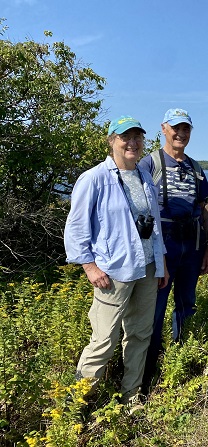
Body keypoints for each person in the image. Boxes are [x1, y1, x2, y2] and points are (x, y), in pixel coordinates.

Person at [64, 115, 168, 410]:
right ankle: (74, 406)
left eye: (137, 137)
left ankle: (131, 397)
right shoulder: (95, 178)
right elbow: (76, 227)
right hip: (114, 271)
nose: (132, 143)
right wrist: (89, 266)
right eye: (125, 137)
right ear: (112, 141)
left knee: (139, 334)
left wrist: (161, 263)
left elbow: (155, 225)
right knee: (104, 340)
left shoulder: (145, 178)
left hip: (147, 268)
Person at [138, 108, 208, 392]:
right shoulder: (150, 163)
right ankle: (149, 369)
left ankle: (181, 359)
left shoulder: (195, 167)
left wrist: (206, 247)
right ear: (164, 128)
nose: (181, 134)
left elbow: (204, 208)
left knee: (186, 304)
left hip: (191, 245)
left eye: (186, 129)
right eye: (176, 128)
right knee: (155, 309)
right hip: (164, 245)